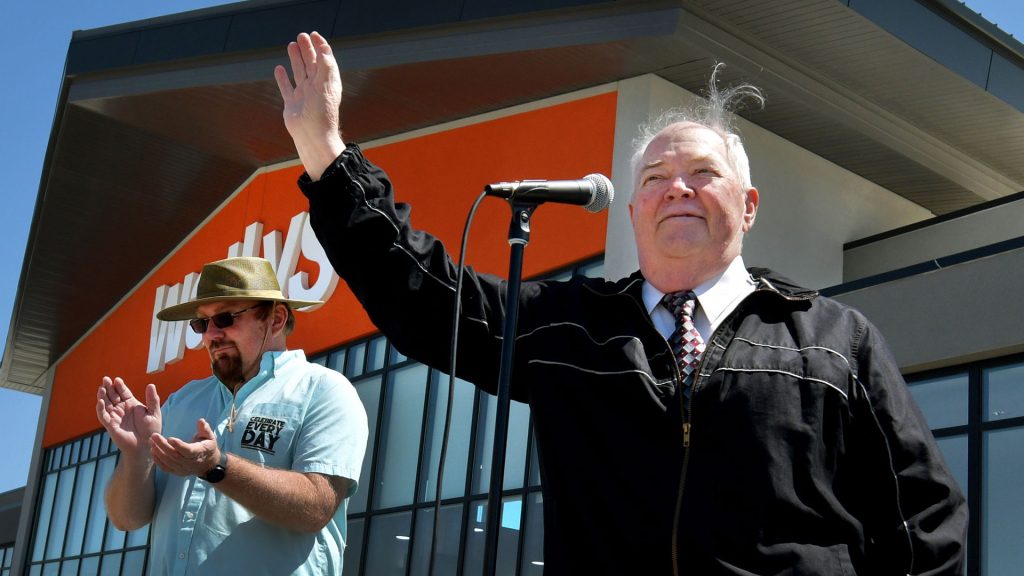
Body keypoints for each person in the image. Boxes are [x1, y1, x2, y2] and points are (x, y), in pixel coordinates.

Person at [275, 31, 967, 575]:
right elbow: (424, 298)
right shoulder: (570, 328)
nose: (678, 188)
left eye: (704, 174)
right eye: (657, 177)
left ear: (748, 206)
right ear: (633, 209)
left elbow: (923, 519)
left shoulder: (833, 341)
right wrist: (327, 158)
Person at [96, 256, 368, 575]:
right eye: (201, 323)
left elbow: (316, 506)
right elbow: (126, 519)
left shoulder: (323, 390)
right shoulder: (181, 401)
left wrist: (217, 467)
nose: (211, 334)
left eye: (224, 318)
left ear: (276, 319)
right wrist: (136, 455)